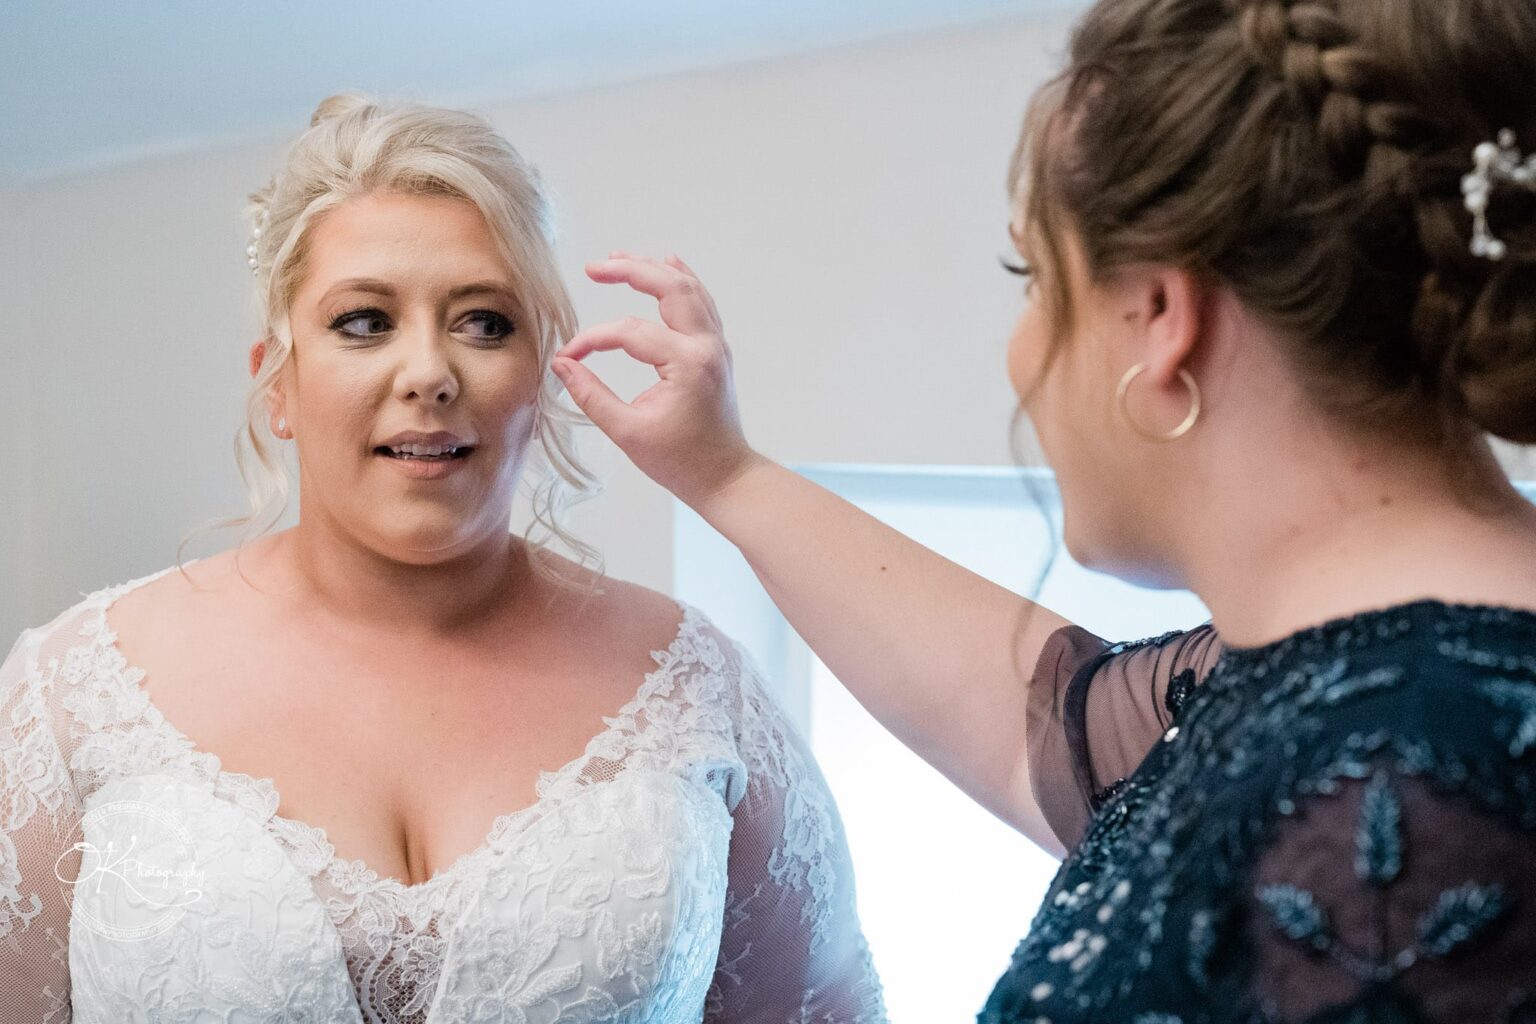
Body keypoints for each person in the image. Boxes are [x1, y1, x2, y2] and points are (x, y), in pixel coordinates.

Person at [548, 0, 1536, 1019]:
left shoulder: (1408, 782)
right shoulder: (1343, 680)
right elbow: (1052, 735)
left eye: (1034, 275)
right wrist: (725, 473)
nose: (1022, 350)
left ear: (1160, 317)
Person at [0, 93, 887, 1024]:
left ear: (542, 378)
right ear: (279, 384)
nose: (429, 371)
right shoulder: (70, 692)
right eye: (363, 322)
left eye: (484, 322)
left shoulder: (697, 690)